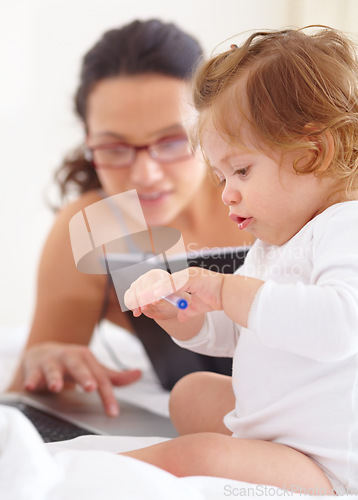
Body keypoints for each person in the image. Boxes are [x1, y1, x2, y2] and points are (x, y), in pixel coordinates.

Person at [123, 26, 358, 494]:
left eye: (242, 170)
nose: (227, 193)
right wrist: (182, 315)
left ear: (314, 152)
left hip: (328, 461)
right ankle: (246, 450)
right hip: (279, 430)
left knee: (196, 456)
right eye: (219, 176)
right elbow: (235, 331)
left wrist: (225, 289)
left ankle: (70, 470)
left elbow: (339, 326)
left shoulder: (346, 227)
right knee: (190, 393)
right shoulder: (273, 244)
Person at [8, 19, 254, 416]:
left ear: (212, 124)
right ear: (88, 142)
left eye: (172, 141)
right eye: (114, 148)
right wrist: (46, 363)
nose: (145, 175)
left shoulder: (273, 195)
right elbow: (25, 399)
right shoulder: (95, 228)